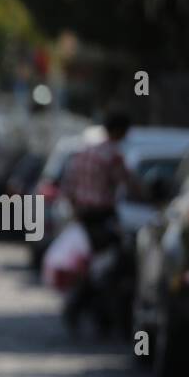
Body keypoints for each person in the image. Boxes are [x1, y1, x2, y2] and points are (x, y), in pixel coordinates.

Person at [59, 110, 141, 335]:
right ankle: (93, 313)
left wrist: (77, 211)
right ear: (118, 131)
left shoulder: (84, 152)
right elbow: (130, 184)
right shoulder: (112, 155)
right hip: (103, 216)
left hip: (85, 217)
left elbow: (68, 185)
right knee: (109, 267)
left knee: (98, 265)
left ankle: (89, 312)